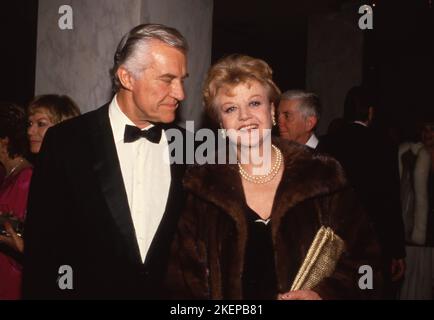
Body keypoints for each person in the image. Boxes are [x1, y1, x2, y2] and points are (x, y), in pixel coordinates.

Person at [165, 55, 382, 300]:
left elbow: (368, 263)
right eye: (231, 108)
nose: (245, 116)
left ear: (272, 111)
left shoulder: (322, 176)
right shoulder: (202, 189)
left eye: (255, 103)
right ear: (221, 123)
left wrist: (324, 295)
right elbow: (181, 284)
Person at [23, 23, 189, 299]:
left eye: (182, 79)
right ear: (126, 77)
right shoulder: (66, 142)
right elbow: (42, 252)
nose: (180, 93)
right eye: (167, 79)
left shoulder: (191, 147)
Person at [318, 86, 406, 299]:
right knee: (366, 291)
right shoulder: (383, 145)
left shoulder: (328, 142)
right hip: (371, 240)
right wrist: (397, 251)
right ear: (370, 112)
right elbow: (391, 200)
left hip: (334, 237)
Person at [0, 103, 33, 299]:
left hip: (12, 275)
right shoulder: (9, 174)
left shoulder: (26, 177)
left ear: (4, 141)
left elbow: (21, 233)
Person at [398, 124, 432, 300]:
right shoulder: (411, 155)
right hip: (414, 230)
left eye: (432, 129)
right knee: (414, 280)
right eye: (425, 129)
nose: (428, 134)